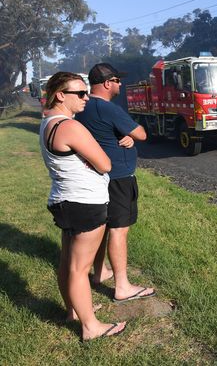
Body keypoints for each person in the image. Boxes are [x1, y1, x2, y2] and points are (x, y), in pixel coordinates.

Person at [40, 72, 127, 341]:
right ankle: (91, 327)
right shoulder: (71, 127)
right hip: (84, 202)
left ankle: (73, 312)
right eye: (80, 93)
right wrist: (95, 159)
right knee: (79, 269)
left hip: (64, 199)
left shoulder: (48, 123)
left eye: (86, 92)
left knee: (68, 262)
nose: (86, 97)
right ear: (60, 95)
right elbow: (106, 164)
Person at [75, 63, 155, 303]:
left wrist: (123, 136)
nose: (120, 85)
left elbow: (102, 134)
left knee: (105, 227)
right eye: (118, 81)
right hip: (119, 178)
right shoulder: (107, 108)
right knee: (119, 230)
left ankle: (99, 272)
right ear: (108, 83)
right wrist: (131, 134)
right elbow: (142, 133)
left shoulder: (84, 106)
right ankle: (122, 286)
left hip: (100, 177)